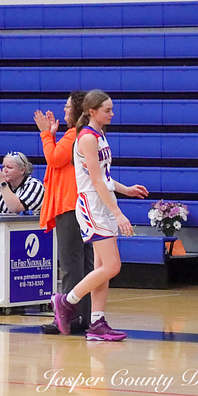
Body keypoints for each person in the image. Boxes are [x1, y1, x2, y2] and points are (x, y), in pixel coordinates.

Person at [51, 89, 149, 342]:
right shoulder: (86, 138)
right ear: (92, 111)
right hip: (92, 206)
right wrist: (118, 213)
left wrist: (126, 189)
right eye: (107, 110)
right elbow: (95, 181)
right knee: (112, 266)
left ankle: (97, 322)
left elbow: (103, 177)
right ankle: (66, 301)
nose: (112, 114)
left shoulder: (99, 134)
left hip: (103, 203)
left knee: (101, 267)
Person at [34, 90, 94, 334]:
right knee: (85, 266)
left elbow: (54, 159)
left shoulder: (74, 134)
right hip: (81, 206)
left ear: (77, 110)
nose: (64, 110)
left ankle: (68, 318)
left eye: (68, 106)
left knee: (71, 266)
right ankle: (84, 317)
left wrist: (45, 134)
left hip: (70, 206)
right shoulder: (82, 134)